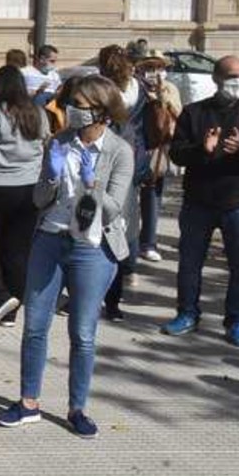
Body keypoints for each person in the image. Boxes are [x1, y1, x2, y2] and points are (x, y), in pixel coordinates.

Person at [0, 75, 134, 439]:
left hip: (92, 247)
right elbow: (40, 200)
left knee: (83, 333)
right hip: (50, 239)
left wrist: (92, 185)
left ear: (102, 112)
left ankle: (77, 408)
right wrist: (52, 177)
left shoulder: (120, 151)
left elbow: (115, 210)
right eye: (72, 103)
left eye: (82, 106)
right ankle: (28, 403)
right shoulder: (58, 142)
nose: (72, 111)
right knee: (35, 324)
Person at [163, 56, 239, 347]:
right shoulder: (194, 112)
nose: (237, 81)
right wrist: (202, 149)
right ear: (216, 78)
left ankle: (236, 320)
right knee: (189, 262)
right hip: (199, 201)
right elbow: (176, 153)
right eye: (230, 76)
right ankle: (187, 313)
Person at [0, 65, 49, 327]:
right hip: (28, 187)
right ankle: (14, 306)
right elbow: (44, 145)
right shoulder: (38, 113)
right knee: (18, 249)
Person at [96, 45, 146, 322]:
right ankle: (114, 300)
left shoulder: (99, 90)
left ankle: (94, 295)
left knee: (92, 231)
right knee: (118, 231)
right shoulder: (139, 90)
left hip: (103, 163)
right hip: (131, 163)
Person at [134, 55, 182, 262]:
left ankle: (148, 242)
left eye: (158, 67)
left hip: (156, 148)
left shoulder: (169, 88)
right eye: (149, 67)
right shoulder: (134, 87)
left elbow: (177, 114)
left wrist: (162, 98)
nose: (153, 72)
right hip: (134, 145)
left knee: (152, 195)